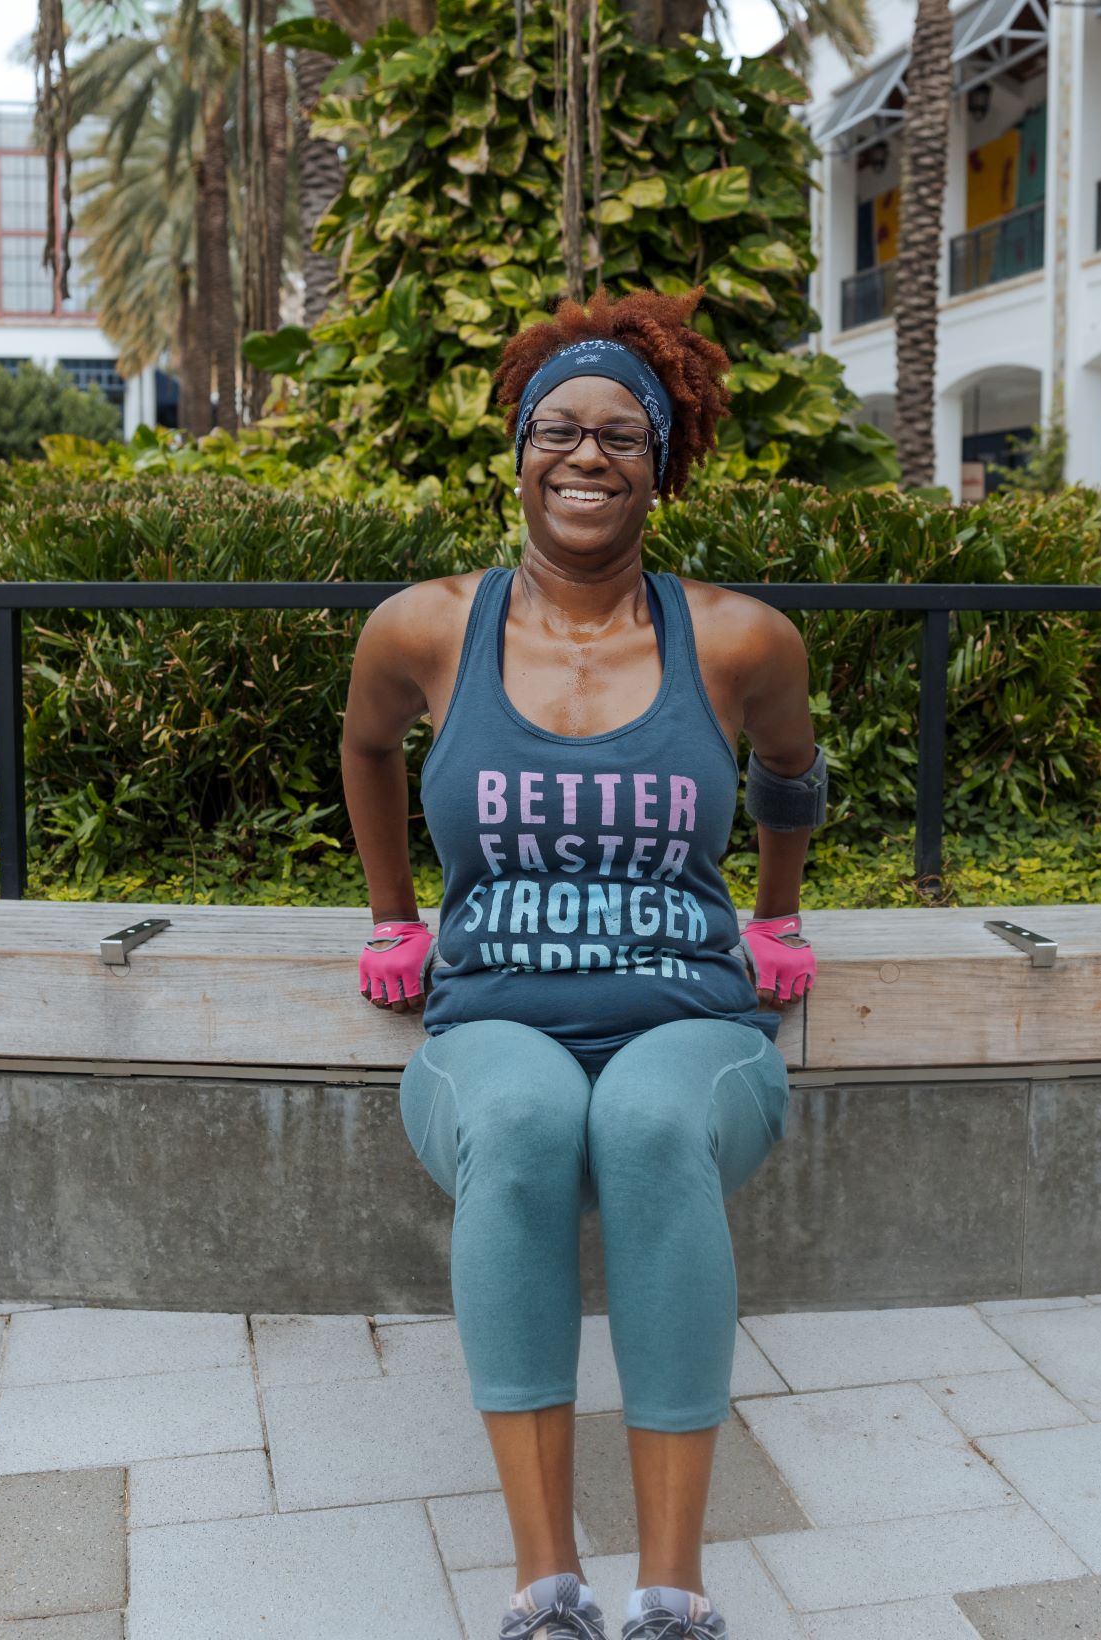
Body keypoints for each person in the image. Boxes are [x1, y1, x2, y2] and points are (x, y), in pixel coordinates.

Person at [341, 291, 823, 1640]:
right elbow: (366, 749)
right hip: (489, 1014)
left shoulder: (735, 637)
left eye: (623, 432)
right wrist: (396, 915)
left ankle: (672, 1593)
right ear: (520, 451)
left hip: (694, 1020)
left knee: (653, 1121)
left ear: (660, 462)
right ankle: (547, 1588)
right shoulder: (428, 628)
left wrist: (774, 918)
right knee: (528, 1117)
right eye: (558, 428)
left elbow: (795, 771)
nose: (588, 455)